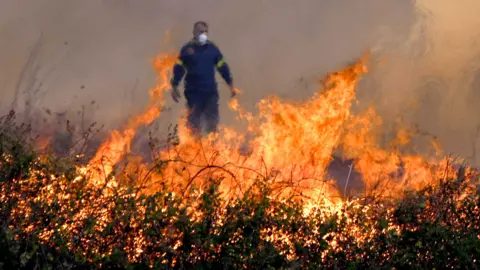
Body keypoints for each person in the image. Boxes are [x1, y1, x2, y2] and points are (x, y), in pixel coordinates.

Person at [170, 20, 236, 137]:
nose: (203, 34)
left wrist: (230, 84)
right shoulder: (187, 50)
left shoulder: (213, 49)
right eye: (201, 31)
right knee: (194, 126)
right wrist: (175, 86)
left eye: (206, 32)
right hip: (193, 93)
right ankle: (195, 150)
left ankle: (212, 150)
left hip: (210, 93)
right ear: (194, 32)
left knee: (212, 125)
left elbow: (223, 68)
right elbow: (179, 69)